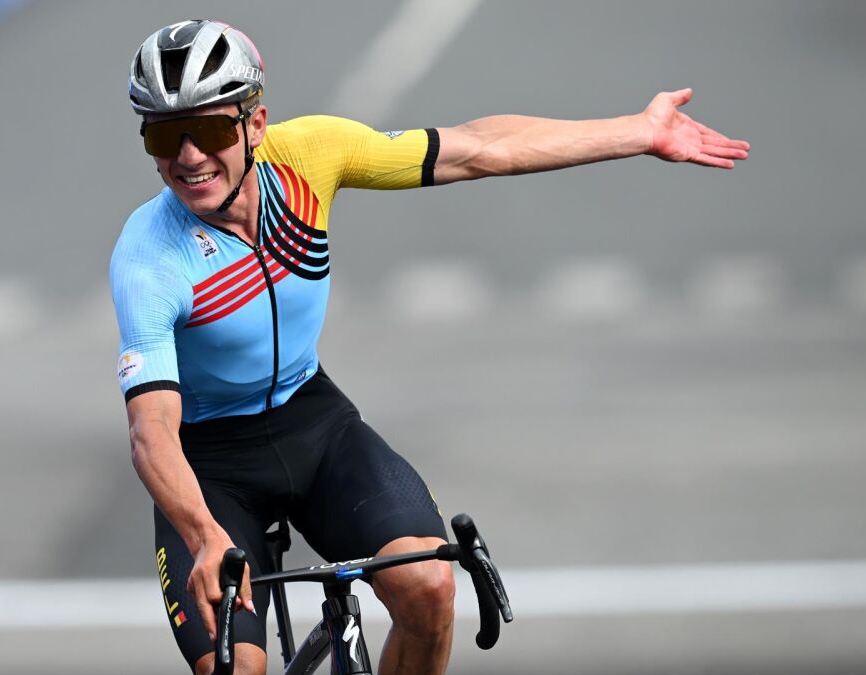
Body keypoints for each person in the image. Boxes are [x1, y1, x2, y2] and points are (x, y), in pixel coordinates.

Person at [110, 19, 749, 675]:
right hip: (210, 464)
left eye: (210, 130)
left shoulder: (309, 157)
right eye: (164, 135)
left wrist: (639, 131)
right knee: (236, 667)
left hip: (313, 422)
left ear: (256, 124)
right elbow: (151, 429)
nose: (189, 156)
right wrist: (203, 534)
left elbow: (477, 148)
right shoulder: (148, 256)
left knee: (430, 587)